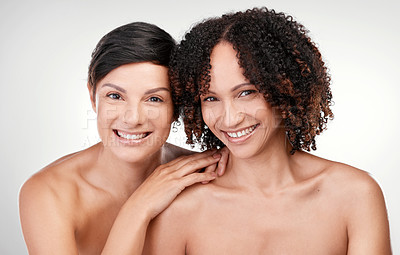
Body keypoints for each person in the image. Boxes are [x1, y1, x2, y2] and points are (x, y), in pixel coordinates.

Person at [143, 8, 392, 254]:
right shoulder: (181, 208)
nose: (229, 119)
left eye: (246, 93)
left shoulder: (354, 195)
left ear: (285, 88)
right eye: (210, 98)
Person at [19, 22, 228, 255]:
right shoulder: (50, 193)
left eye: (154, 99)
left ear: (176, 107)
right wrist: (138, 208)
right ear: (92, 96)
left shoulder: (203, 176)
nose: (132, 118)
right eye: (115, 96)